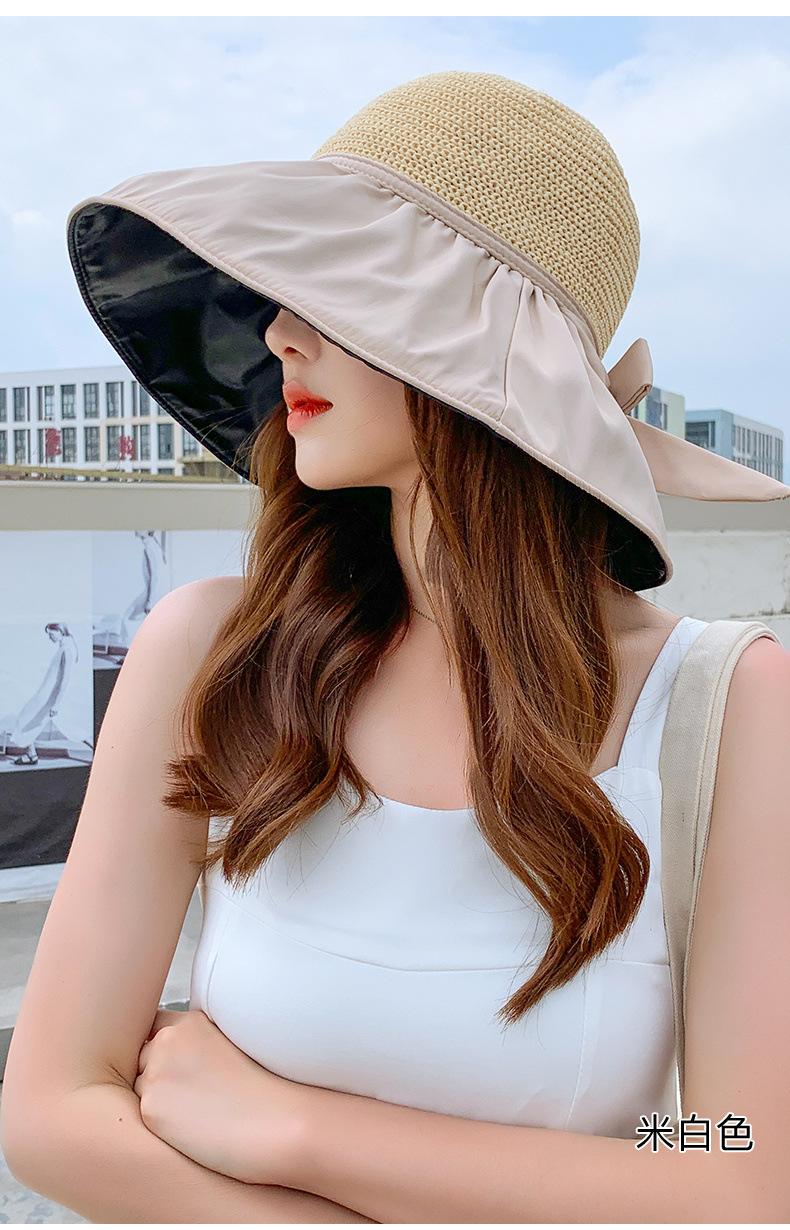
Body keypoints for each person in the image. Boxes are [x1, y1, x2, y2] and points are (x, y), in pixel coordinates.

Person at [3, 70, 790, 1224]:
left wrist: (296, 1129)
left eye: (336, 290)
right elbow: (52, 1111)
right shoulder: (214, 653)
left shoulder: (724, 703)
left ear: (477, 346)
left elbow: (737, 1167)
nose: (278, 331)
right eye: (285, 292)